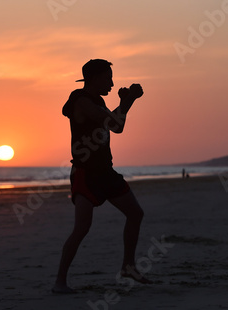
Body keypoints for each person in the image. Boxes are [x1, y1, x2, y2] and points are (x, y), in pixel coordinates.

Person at [53, 59, 150, 294]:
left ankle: (128, 266)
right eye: (108, 78)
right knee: (82, 228)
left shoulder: (98, 101)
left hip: (106, 172)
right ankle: (60, 283)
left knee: (135, 213)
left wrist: (125, 102)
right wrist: (128, 100)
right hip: (86, 174)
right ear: (94, 78)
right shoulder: (82, 101)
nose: (112, 82)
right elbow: (113, 123)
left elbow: (117, 127)